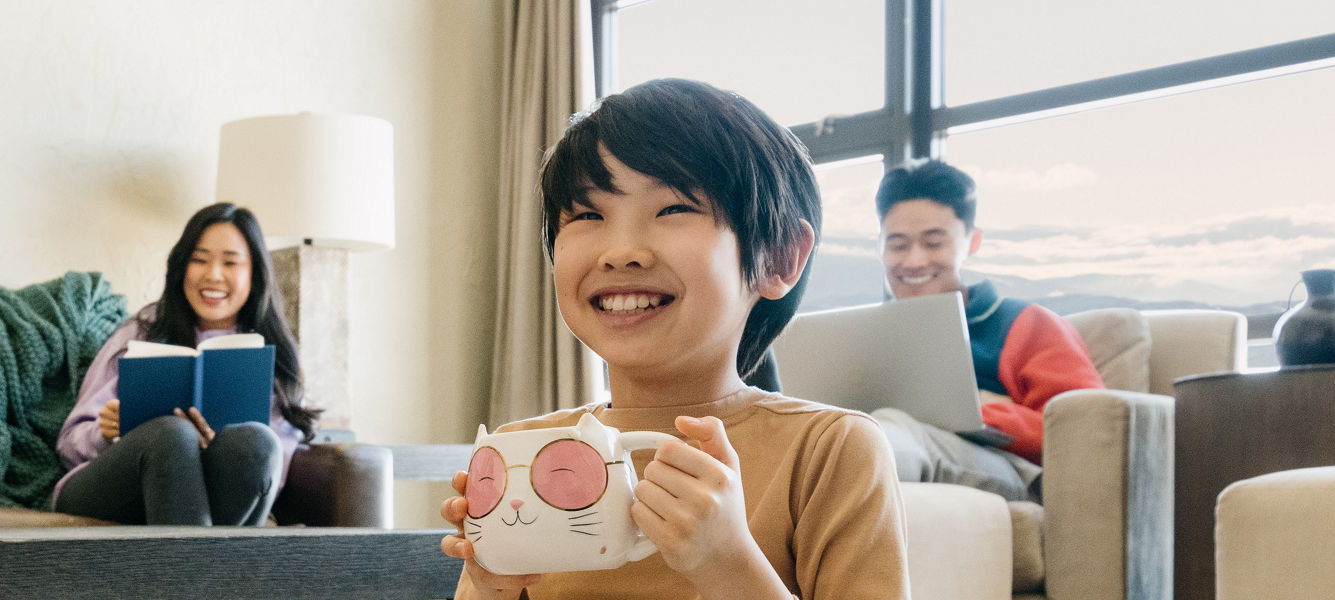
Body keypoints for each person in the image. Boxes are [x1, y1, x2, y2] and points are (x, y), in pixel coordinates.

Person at [438, 78, 906, 599]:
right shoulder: (521, 449)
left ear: (779, 257)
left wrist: (729, 563)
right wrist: (490, 584)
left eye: (672, 209)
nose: (620, 251)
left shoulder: (830, 450)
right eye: (588, 215)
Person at [50, 202, 320, 526]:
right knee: (172, 435)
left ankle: (191, 572)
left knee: (257, 442)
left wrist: (209, 451)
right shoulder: (145, 329)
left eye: (230, 263)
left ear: (255, 273)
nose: (213, 275)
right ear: (182, 267)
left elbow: (271, 472)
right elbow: (69, 443)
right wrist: (105, 434)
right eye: (199, 259)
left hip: (224, 498)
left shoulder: (272, 356)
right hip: (116, 486)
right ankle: (208, 573)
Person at [868, 159, 1104, 502]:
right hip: (899, 450)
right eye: (898, 245)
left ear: (972, 241)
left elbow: (1088, 428)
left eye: (934, 243)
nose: (914, 261)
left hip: (1007, 471)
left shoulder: (1024, 323)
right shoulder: (866, 337)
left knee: (878, 436)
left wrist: (976, 411)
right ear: (880, 246)